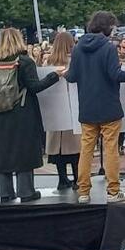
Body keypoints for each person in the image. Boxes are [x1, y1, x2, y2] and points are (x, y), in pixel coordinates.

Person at [67, 11, 125, 204]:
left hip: (87, 106)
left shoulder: (78, 48)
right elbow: (116, 75)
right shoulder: (108, 48)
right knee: (110, 148)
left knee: (86, 149)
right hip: (108, 105)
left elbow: (72, 76)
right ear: (107, 27)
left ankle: (83, 192)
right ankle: (113, 191)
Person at [0, 28, 62, 203]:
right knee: (23, 150)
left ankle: (5, 192)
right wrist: (54, 76)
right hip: (22, 112)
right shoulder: (25, 62)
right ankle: (26, 191)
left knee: (3, 151)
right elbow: (35, 87)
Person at [45, 32, 81, 190]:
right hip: (72, 106)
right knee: (75, 147)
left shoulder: (49, 62)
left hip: (54, 108)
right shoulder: (75, 61)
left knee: (57, 147)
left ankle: (62, 178)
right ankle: (77, 179)